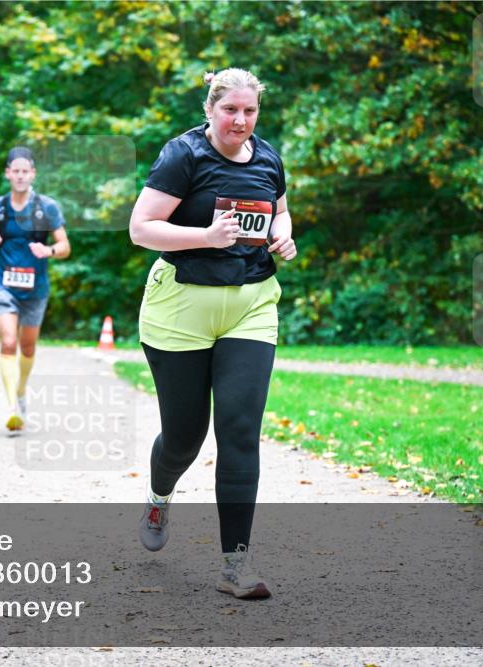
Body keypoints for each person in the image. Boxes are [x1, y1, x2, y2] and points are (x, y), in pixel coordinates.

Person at [129, 68, 297, 600]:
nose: (240, 121)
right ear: (210, 110)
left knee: (240, 429)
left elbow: (282, 211)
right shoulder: (182, 156)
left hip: (251, 306)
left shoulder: (268, 157)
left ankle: (235, 566)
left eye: (249, 112)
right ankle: (160, 493)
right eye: (230, 111)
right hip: (180, 306)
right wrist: (205, 235)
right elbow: (142, 228)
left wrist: (282, 236)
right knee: (185, 436)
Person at [0, 147, 71, 431]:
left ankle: (20, 389)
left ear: (33, 174)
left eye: (25, 171)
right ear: (8, 174)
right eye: (15, 171)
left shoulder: (47, 207)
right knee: (8, 342)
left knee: (28, 345)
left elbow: (65, 247)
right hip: (4, 285)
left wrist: (49, 250)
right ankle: (11, 407)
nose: (20, 176)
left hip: (36, 287)